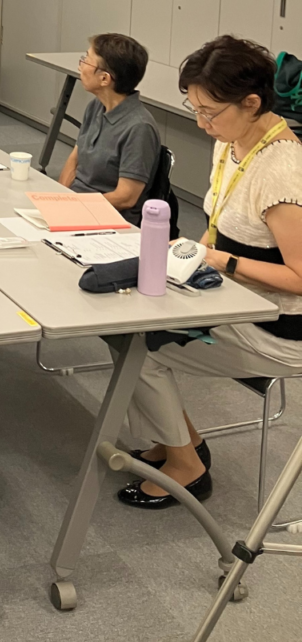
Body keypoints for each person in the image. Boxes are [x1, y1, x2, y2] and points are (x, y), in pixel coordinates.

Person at [119, 35, 302, 509]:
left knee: (141, 345)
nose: (201, 123)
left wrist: (222, 261)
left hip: (279, 328)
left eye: (209, 112)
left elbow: (300, 278)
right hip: (232, 297)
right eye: (195, 108)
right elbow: (219, 226)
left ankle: (188, 464)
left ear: (252, 103)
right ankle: (177, 442)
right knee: (123, 317)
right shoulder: (233, 142)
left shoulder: (282, 170)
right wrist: (191, 258)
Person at [58, 33, 161, 225]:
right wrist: (60, 200)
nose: (80, 66)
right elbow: (74, 159)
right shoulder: (95, 106)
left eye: (86, 60)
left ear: (104, 78)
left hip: (109, 218)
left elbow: (125, 197)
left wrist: (78, 207)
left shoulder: (139, 127)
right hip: (77, 207)